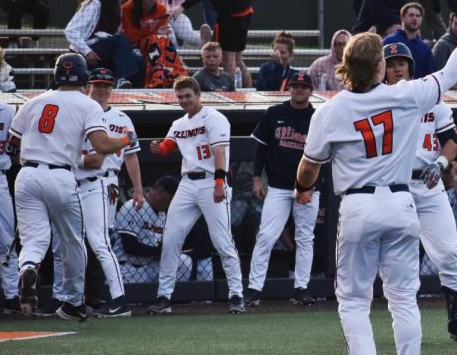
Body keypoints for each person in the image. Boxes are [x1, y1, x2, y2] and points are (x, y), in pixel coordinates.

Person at [294, 12, 457, 355]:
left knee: (354, 300)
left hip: (359, 205)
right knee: (403, 299)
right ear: (379, 66)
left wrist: (302, 189)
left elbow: (309, 167)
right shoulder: (404, 95)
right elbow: (453, 70)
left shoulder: (328, 111)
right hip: (401, 202)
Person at [11, 54, 135, 320]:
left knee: (34, 239)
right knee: (73, 242)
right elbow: (102, 145)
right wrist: (125, 139)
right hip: (61, 175)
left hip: (27, 174)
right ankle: (74, 302)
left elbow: (13, 141)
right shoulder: (87, 104)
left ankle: (29, 265)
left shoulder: (34, 101)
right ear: (83, 76)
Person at [382, 42, 457, 343]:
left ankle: (456, 320)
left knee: (450, 253)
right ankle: (405, 323)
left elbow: (451, 139)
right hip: (395, 187)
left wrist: (440, 162)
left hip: (429, 183)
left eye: (402, 62)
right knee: (403, 261)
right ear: (381, 68)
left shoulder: (431, 97)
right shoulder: (379, 99)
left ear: (411, 67)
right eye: (391, 63)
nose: (398, 68)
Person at [146, 76, 246, 314]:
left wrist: (220, 182)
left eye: (188, 95)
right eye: (180, 97)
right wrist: (157, 147)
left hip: (212, 181)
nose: (184, 100)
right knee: (171, 238)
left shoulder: (214, 117)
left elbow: (220, 151)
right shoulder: (179, 123)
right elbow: (168, 146)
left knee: (222, 240)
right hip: (188, 183)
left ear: (198, 95)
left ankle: (236, 294)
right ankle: (164, 297)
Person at [245, 70, 318, 306]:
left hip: (307, 188)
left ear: (311, 90)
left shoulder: (317, 117)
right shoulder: (274, 113)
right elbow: (261, 149)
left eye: (303, 87)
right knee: (266, 236)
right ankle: (254, 289)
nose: (299, 90)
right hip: (277, 187)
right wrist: (257, 178)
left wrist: (313, 187)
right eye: (295, 86)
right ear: (289, 89)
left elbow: (324, 157)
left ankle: (301, 288)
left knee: (305, 238)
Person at [76, 68, 144, 316]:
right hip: (75, 182)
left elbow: (132, 157)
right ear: (88, 87)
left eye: (106, 85)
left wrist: (138, 190)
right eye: (97, 84)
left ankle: (118, 299)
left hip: (105, 181)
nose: (102, 89)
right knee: (77, 242)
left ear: (112, 88)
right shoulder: (79, 112)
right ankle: (74, 299)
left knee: (100, 241)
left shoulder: (123, 118)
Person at [114, 176, 214, 285]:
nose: (173, 204)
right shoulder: (133, 206)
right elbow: (129, 246)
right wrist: (163, 251)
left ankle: (166, 297)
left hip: (149, 267)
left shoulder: (162, 214)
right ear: (160, 192)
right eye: (171, 199)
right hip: (126, 268)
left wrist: (169, 250)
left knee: (184, 262)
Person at [64, 0, 142, 87]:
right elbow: (70, 30)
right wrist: (87, 52)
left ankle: (135, 90)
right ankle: (121, 80)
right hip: (85, 51)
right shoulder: (94, 5)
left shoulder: (117, 9)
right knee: (121, 39)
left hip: (103, 51)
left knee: (137, 59)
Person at [122, 0, 188, 88]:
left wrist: (153, 33)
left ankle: (172, 75)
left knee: (162, 40)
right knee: (156, 39)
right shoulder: (127, 8)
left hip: (156, 43)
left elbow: (161, 33)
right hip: (134, 46)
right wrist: (148, 31)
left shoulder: (161, 8)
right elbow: (130, 36)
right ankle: (158, 78)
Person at [0, 88, 18, 313]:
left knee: (5, 242)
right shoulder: (8, 110)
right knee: (5, 243)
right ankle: (12, 297)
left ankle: (13, 297)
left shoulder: (7, 110)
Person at [383, 3, 435, 76]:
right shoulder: (389, 41)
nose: (415, 18)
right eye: (411, 15)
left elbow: (429, 76)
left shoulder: (425, 48)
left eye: (418, 16)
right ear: (402, 18)